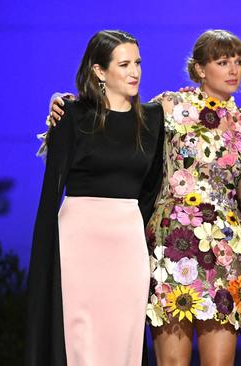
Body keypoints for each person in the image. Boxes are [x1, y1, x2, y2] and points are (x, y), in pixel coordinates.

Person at [46, 29, 241, 366]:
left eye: (238, 62)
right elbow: (113, 116)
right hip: (171, 245)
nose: (234, 69)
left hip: (223, 250)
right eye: (223, 61)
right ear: (201, 69)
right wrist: (65, 104)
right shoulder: (168, 108)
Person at [26, 30, 165, 365]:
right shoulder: (71, 115)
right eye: (125, 64)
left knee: (124, 333)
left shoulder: (154, 119)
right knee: (80, 335)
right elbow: (51, 189)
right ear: (100, 71)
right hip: (79, 239)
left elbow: (150, 189)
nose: (135, 71)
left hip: (127, 241)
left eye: (138, 63)